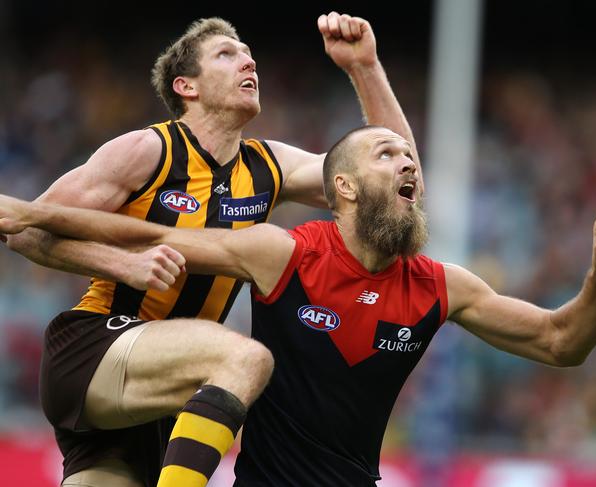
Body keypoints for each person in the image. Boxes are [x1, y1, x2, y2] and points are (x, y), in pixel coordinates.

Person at [0, 125, 596, 485]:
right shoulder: (283, 254)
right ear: (342, 187)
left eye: (409, 157)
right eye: (385, 153)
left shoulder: (443, 285)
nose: (407, 164)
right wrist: (28, 213)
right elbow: (157, 236)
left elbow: (563, 342)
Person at [4, 12, 421, 487]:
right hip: (96, 347)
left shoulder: (268, 166)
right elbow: (24, 229)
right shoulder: (147, 150)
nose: (249, 62)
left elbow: (394, 181)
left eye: (249, 55)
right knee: (246, 358)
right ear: (187, 87)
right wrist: (121, 262)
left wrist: (364, 68)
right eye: (228, 54)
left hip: (165, 390)